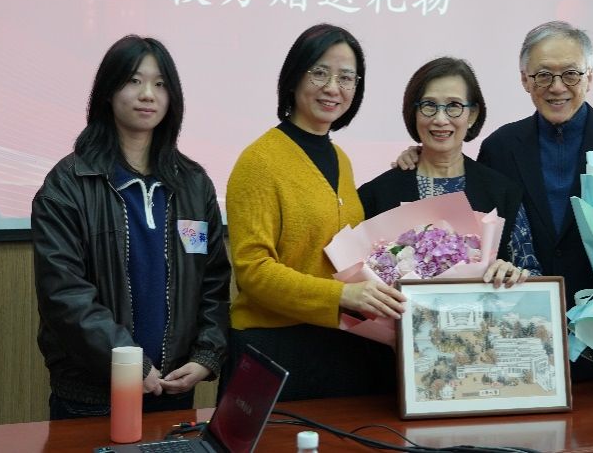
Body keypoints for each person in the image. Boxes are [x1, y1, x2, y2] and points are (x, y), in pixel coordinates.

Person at [396, 21, 593, 378]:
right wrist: (420, 157)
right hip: (520, 342)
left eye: (570, 74)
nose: (557, 87)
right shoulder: (501, 147)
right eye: (543, 75)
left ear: (590, 77)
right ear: (525, 80)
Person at [32, 35, 230, 419]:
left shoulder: (192, 183)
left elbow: (213, 282)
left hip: (173, 390)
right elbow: (64, 294)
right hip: (91, 398)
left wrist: (207, 354)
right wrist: (129, 364)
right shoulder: (69, 183)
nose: (147, 95)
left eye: (160, 84)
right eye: (133, 81)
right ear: (108, 91)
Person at [224, 23, 406, 401]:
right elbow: (253, 271)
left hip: (338, 344)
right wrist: (341, 296)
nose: (333, 87)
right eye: (320, 72)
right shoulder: (259, 161)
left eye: (346, 77)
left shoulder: (341, 159)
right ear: (294, 78)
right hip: (273, 348)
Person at [359, 56, 541, 286]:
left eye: (454, 106)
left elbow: (533, 275)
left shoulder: (502, 193)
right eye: (429, 105)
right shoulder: (376, 194)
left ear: (472, 114)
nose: (440, 119)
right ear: (414, 112)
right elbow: (357, 282)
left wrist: (512, 274)